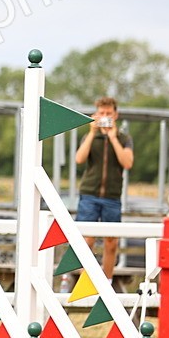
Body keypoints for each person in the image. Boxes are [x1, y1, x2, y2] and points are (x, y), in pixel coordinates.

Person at [73, 96, 134, 283]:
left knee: (111, 242)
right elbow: (79, 159)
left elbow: (127, 162)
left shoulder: (124, 138)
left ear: (115, 115)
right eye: (102, 113)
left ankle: (106, 282)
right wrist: (92, 132)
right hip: (89, 194)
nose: (105, 116)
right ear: (96, 114)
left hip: (112, 196)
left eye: (108, 113)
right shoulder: (90, 136)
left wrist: (113, 137)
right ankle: (86, 281)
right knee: (86, 240)